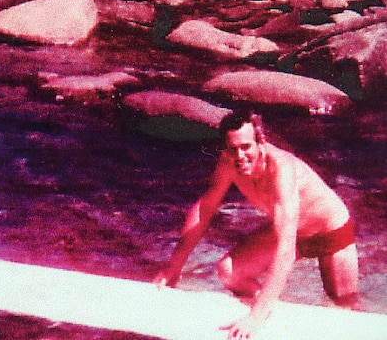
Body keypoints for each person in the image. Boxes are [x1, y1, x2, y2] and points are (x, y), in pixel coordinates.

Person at [153, 109, 359, 340]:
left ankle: (265, 309)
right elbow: (205, 208)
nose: (240, 156)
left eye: (246, 147)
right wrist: (174, 267)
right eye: (233, 149)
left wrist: (256, 316)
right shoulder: (229, 163)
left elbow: (285, 250)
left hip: (331, 232)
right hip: (294, 232)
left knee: (343, 314)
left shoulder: (281, 170)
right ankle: (272, 307)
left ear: (261, 142)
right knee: (229, 273)